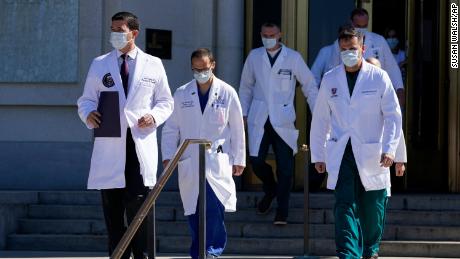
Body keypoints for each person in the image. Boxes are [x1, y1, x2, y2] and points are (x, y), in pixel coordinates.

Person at [77, 12, 174, 259]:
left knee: (139, 208)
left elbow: (166, 101)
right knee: (113, 210)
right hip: (111, 144)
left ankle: (141, 256)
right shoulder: (100, 63)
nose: (115, 34)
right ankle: (117, 256)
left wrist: (154, 116)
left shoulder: (153, 63)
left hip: (139, 143)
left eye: (120, 29)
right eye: (112, 29)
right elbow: (86, 100)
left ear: (134, 33)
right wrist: (88, 113)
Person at [310, 27, 402, 259]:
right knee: (344, 206)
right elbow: (320, 118)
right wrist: (318, 155)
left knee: (372, 207)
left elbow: (393, 116)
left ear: (362, 48)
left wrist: (390, 149)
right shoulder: (330, 78)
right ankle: (348, 254)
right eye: (343, 50)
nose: (348, 53)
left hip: (373, 151)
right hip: (342, 152)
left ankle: (370, 249)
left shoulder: (379, 77)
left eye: (352, 48)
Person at [161, 48, 246, 259]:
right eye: (196, 69)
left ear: (213, 65)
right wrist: (168, 156)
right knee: (194, 212)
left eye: (204, 68)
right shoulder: (182, 93)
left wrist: (239, 159)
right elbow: (171, 128)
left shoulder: (227, 92)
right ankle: (199, 253)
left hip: (216, 160)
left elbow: (237, 128)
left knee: (213, 210)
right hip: (190, 160)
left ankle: (211, 252)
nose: (200, 73)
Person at [239, 22, 317, 225]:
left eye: (272, 35)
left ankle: (282, 210)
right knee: (255, 160)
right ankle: (270, 188)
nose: (268, 38)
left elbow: (309, 84)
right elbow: (246, 87)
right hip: (260, 117)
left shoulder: (293, 57)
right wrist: (243, 113)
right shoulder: (254, 56)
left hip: (282, 120)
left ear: (280, 34)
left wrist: (317, 112)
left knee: (285, 168)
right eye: (264, 35)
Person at [350, 8, 405, 108]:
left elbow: (391, 67)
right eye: (358, 26)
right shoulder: (342, 44)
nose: (362, 29)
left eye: (365, 26)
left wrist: (399, 88)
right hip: (352, 97)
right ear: (352, 23)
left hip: (377, 96)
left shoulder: (379, 40)